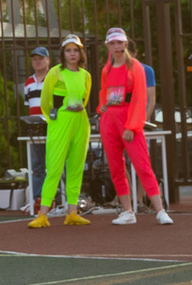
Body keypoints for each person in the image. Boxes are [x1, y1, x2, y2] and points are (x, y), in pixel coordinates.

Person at [96, 28, 170, 225]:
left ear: (126, 44)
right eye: (112, 43)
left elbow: (140, 98)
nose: (116, 47)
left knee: (142, 165)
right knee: (116, 167)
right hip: (109, 120)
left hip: (129, 120)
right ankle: (128, 211)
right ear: (108, 46)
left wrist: (132, 126)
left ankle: (160, 210)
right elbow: (104, 92)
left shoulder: (136, 67)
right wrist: (102, 108)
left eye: (119, 43)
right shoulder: (106, 69)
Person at [30, 34, 93, 227]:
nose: (72, 54)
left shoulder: (86, 75)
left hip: (80, 123)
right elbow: (45, 101)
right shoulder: (55, 72)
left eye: (75, 50)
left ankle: (72, 212)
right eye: (68, 50)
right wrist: (54, 119)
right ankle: (42, 214)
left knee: (76, 167)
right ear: (63, 53)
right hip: (60, 122)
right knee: (54, 167)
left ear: (80, 53)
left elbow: (85, 99)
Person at [19, 45, 52, 218]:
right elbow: (28, 104)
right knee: (37, 165)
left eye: (41, 58)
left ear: (48, 60)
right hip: (35, 127)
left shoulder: (53, 78)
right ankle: (38, 199)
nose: (38, 62)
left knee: (54, 164)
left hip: (52, 125)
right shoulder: (29, 82)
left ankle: (55, 199)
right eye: (35, 59)